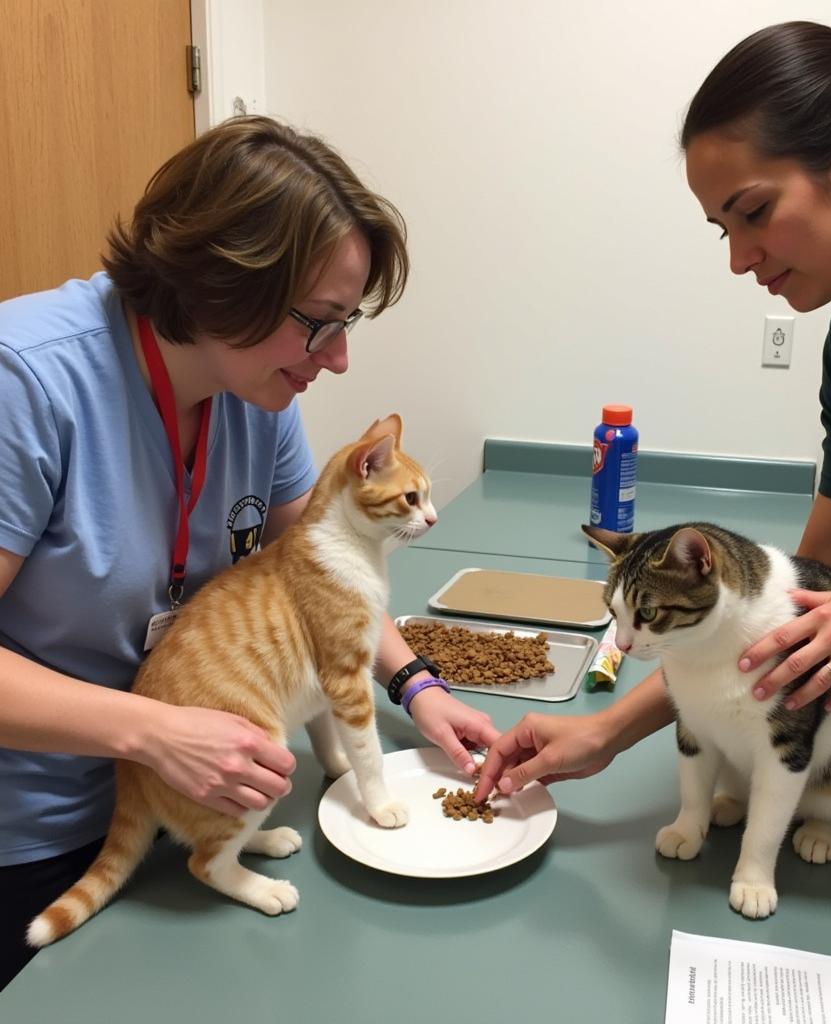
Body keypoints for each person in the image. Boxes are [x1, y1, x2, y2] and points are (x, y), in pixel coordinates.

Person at [476, 21, 831, 1020]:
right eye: (720, 230)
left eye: (752, 213)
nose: (739, 261)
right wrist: (608, 730)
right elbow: (805, 604)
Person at [0, 115, 499, 989]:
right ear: (220, 282)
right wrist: (156, 734)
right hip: (34, 836)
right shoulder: (28, 384)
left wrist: (415, 685)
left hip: (195, 797)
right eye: (320, 323)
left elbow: (322, 565)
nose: (338, 360)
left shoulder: (254, 392)